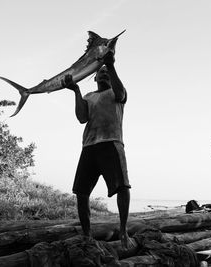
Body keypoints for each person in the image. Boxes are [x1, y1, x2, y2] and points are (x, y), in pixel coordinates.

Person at [62, 50, 133, 249]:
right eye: (101, 72)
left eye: (107, 73)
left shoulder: (117, 92)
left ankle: (123, 229)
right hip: (89, 147)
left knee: (122, 187)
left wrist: (111, 65)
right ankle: (87, 235)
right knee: (81, 193)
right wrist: (75, 91)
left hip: (111, 144)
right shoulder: (89, 96)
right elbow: (82, 118)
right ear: (94, 77)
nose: (104, 74)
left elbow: (120, 93)